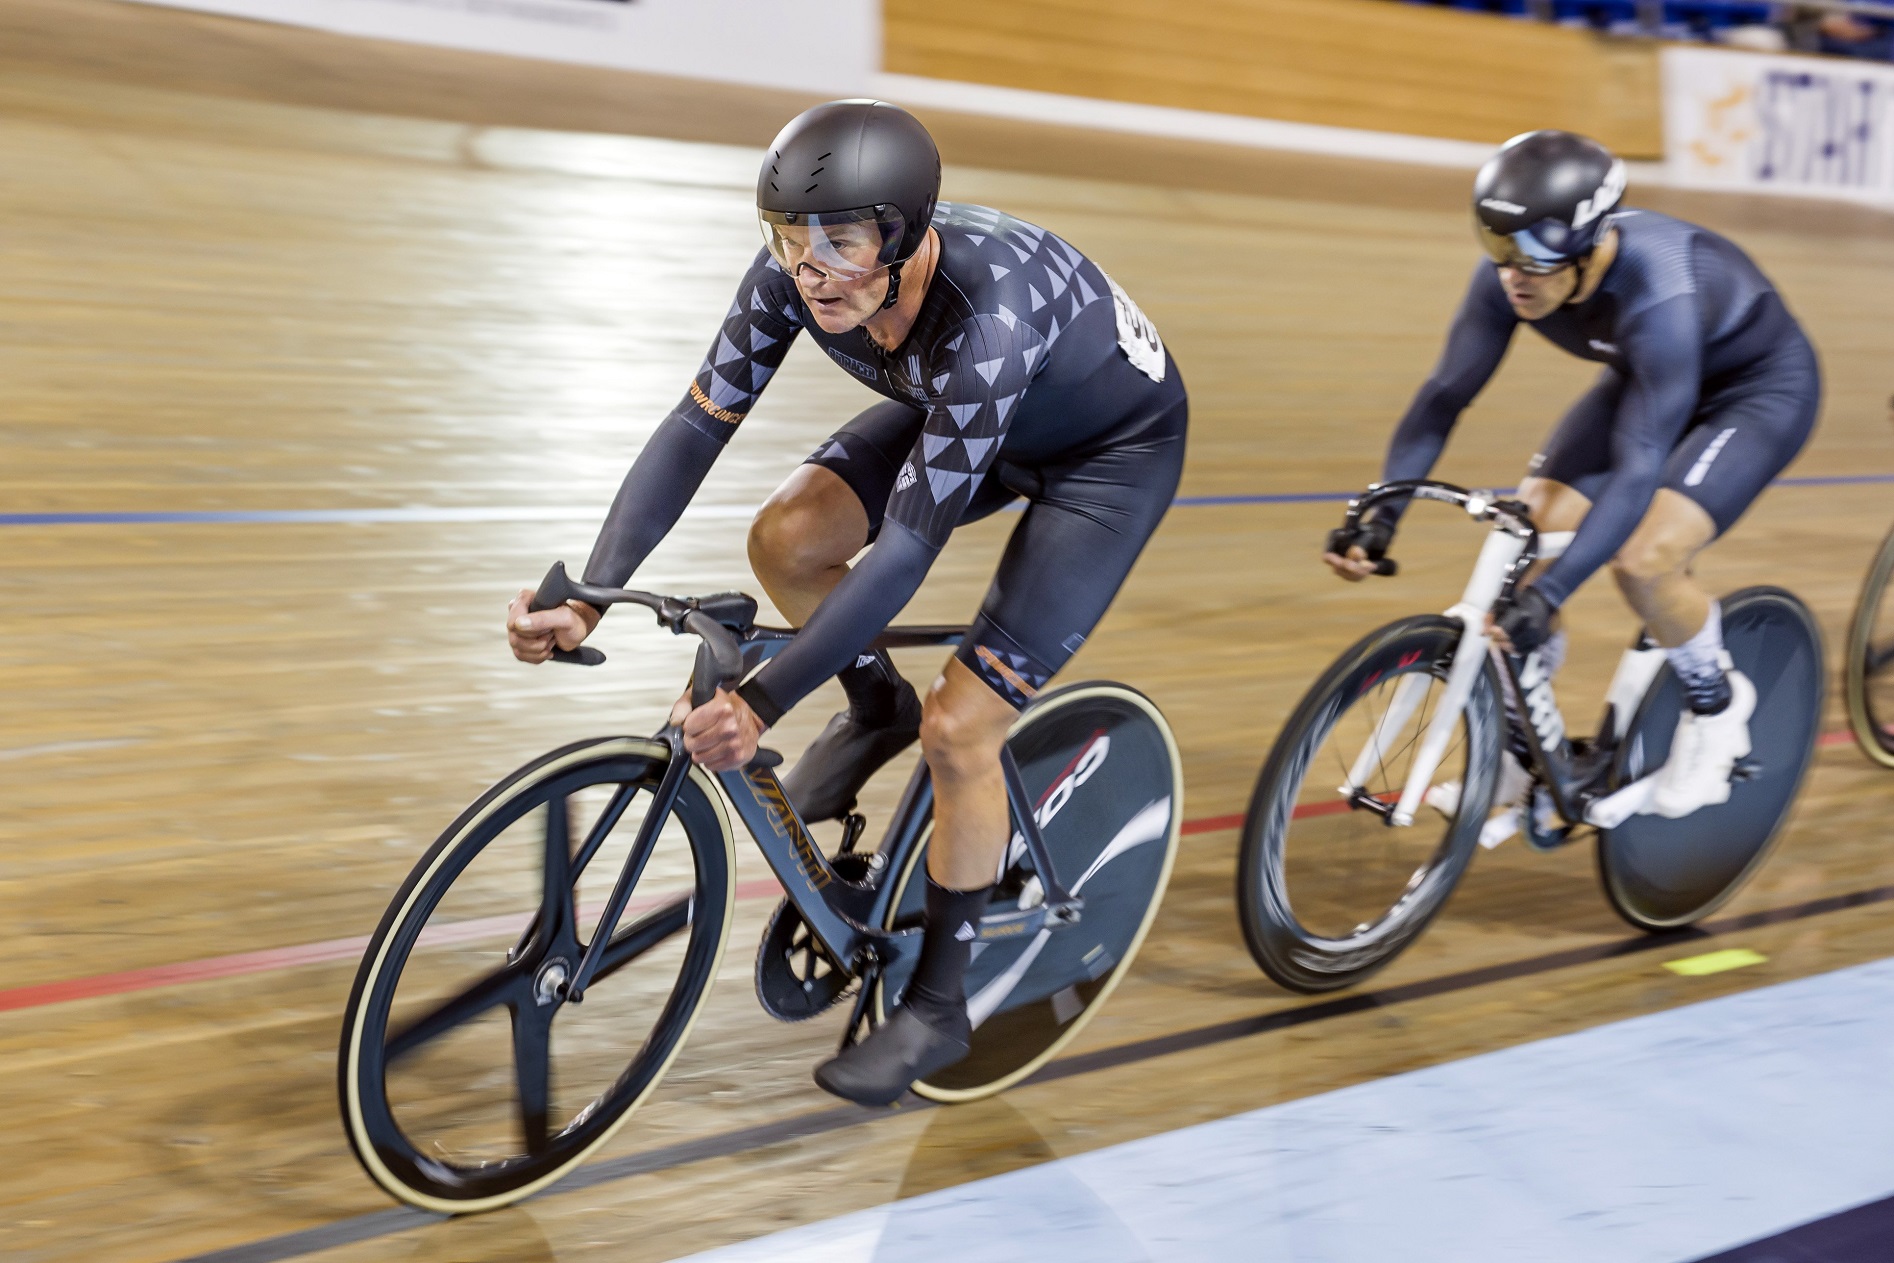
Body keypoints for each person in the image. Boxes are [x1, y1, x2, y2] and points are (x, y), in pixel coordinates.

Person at [505, 100, 1187, 1104]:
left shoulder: (986, 318)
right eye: (790, 240)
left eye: (841, 243)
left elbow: (907, 548)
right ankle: (876, 707)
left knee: (964, 728)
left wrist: (763, 701)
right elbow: (698, 425)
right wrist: (593, 594)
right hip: (975, 414)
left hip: (1104, 459)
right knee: (788, 536)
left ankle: (940, 1007)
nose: (812, 268)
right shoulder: (800, 274)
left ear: (904, 238)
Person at [1326, 129, 1818, 820]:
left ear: (1589, 243)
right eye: (1497, 244)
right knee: (1529, 534)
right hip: (1650, 380)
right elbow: (1443, 398)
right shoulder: (1509, 277)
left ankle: (1717, 709)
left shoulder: (1658, 294)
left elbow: (1640, 467)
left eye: (1531, 251)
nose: (1512, 272)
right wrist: (1382, 516)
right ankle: (1516, 753)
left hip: (1755, 393)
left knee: (1644, 561)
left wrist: (1553, 594)